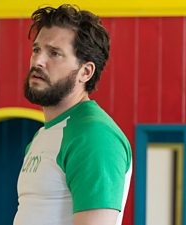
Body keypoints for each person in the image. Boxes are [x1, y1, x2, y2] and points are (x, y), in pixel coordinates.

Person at [13, 4, 132, 225]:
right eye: (36, 49)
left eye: (54, 53)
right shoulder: (43, 135)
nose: (38, 61)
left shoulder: (94, 135)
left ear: (85, 72)